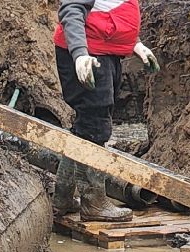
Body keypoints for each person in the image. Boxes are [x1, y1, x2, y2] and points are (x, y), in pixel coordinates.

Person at [53, 0, 160, 223]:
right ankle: (93, 203)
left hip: (104, 50)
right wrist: (80, 54)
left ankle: (62, 199)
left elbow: (112, 12)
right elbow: (71, 9)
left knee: (86, 126)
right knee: (95, 126)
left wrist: (136, 44)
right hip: (88, 55)